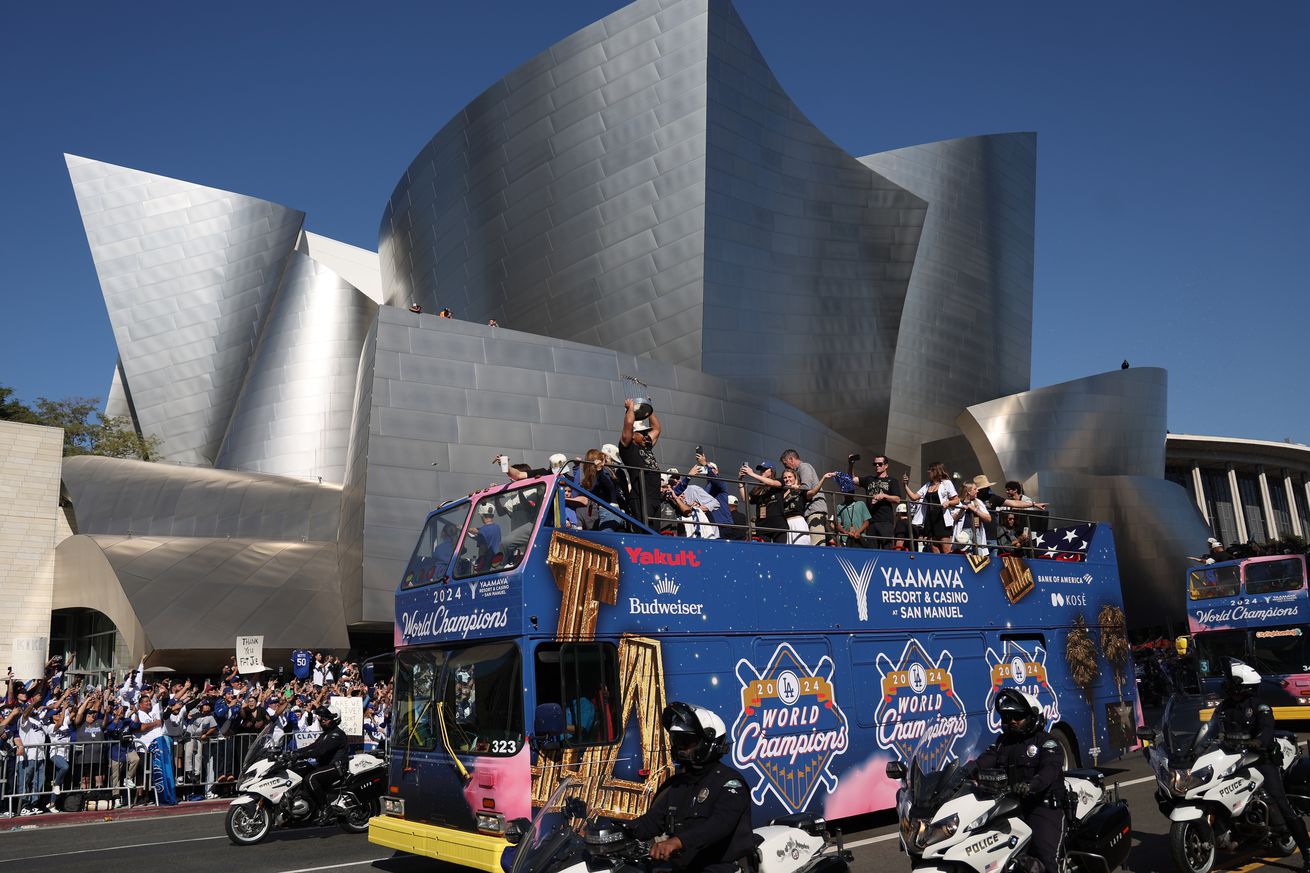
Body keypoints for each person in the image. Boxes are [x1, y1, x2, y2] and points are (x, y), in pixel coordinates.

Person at [627, 702, 755, 873]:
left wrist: (677, 841)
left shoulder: (730, 784)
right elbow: (651, 821)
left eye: (686, 741)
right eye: (677, 741)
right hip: (685, 867)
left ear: (708, 743)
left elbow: (718, 825)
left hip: (722, 867)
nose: (680, 748)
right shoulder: (677, 785)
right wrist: (620, 832)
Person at [1216, 661, 1310, 868]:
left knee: (1280, 801)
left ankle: (1307, 853)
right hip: (1231, 758)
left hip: (1260, 758)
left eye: (1229, 681)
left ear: (1242, 684)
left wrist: (1257, 741)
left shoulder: (1259, 706)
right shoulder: (1225, 706)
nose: (1225, 684)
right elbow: (1210, 728)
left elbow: (1267, 731)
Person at [975, 690, 1065, 873]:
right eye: (1007, 717)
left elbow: (1050, 770)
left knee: (1047, 858)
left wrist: (1031, 785)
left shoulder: (1047, 742)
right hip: (1009, 806)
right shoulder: (1003, 743)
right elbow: (982, 761)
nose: (1012, 721)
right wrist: (959, 772)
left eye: (1018, 716)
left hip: (1042, 806)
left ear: (1033, 717)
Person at [290, 705, 349, 815]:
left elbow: (319, 751)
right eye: (321, 719)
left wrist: (299, 756)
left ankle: (326, 808)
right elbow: (312, 746)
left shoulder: (336, 734)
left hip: (336, 767)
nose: (322, 721)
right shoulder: (326, 734)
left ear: (334, 720)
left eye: (325, 719)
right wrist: (294, 753)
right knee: (302, 768)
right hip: (325, 765)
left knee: (311, 778)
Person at [619, 399, 663, 528]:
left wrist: (648, 409)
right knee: (644, 532)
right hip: (641, 498)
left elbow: (657, 428)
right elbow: (628, 424)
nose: (645, 436)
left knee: (655, 533)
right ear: (633, 435)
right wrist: (630, 408)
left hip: (654, 498)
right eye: (642, 433)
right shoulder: (627, 447)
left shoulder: (645, 446)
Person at [847, 453, 904, 547]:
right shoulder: (869, 479)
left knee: (887, 549)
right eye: (875, 464)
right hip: (871, 521)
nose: (877, 466)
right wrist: (851, 464)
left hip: (885, 521)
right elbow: (852, 479)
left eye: (880, 464)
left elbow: (897, 499)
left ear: (886, 466)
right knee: (872, 551)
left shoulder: (892, 481)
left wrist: (884, 496)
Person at [906, 463, 958, 553]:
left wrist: (948, 502)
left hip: (942, 519)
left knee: (945, 548)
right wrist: (905, 485)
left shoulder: (946, 483)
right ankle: (938, 565)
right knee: (934, 547)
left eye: (930, 470)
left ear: (936, 471)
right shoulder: (927, 485)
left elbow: (956, 500)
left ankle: (949, 565)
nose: (928, 472)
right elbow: (914, 497)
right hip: (930, 519)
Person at [780, 449, 826, 544]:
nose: (786, 467)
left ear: (791, 459)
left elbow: (806, 487)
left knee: (816, 542)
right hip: (809, 510)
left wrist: (794, 487)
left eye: (785, 464)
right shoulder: (799, 470)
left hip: (814, 509)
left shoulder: (804, 467)